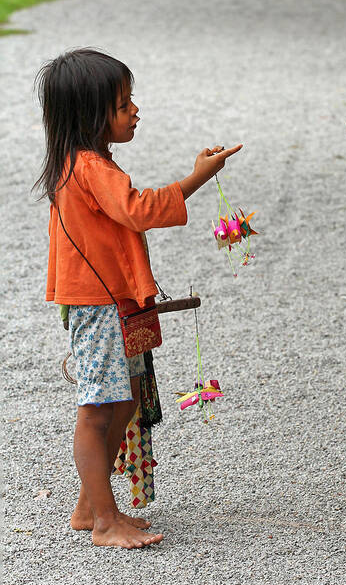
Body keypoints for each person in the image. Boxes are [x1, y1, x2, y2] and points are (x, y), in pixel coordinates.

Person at [35, 48, 242, 549]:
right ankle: (103, 521)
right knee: (98, 408)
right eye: (124, 103)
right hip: (101, 304)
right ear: (91, 114)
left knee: (124, 401)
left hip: (118, 300)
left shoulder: (87, 162)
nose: (135, 111)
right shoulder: (89, 166)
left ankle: (92, 505)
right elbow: (140, 210)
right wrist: (198, 177)